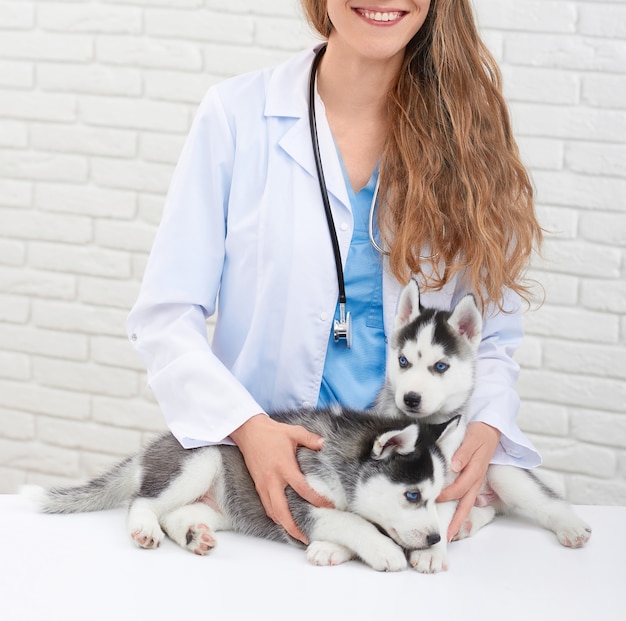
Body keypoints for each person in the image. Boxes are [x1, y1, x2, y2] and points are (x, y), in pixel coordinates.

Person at [127, 0, 543, 546]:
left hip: (413, 494)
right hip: (260, 492)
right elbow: (165, 315)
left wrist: (486, 428)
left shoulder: (470, 139)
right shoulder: (236, 115)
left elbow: (490, 340)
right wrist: (248, 429)